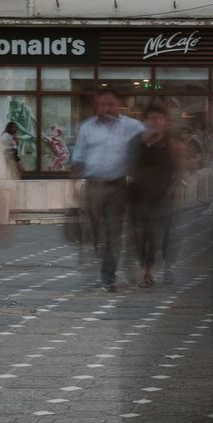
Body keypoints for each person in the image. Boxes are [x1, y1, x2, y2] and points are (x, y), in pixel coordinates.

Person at [71, 89, 143, 291]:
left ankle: (108, 276)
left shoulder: (131, 126)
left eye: (110, 104)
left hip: (117, 187)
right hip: (93, 187)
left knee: (113, 233)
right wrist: (72, 185)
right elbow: (78, 158)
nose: (106, 109)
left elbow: (148, 140)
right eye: (102, 104)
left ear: (118, 104)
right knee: (96, 233)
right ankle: (104, 264)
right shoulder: (87, 128)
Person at [129, 104, 183, 288]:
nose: (156, 122)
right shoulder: (136, 142)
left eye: (159, 118)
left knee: (160, 234)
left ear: (165, 122)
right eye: (151, 118)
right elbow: (130, 165)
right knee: (141, 236)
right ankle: (147, 268)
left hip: (163, 196)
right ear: (144, 121)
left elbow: (179, 169)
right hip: (139, 196)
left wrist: (173, 189)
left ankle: (154, 271)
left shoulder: (172, 143)